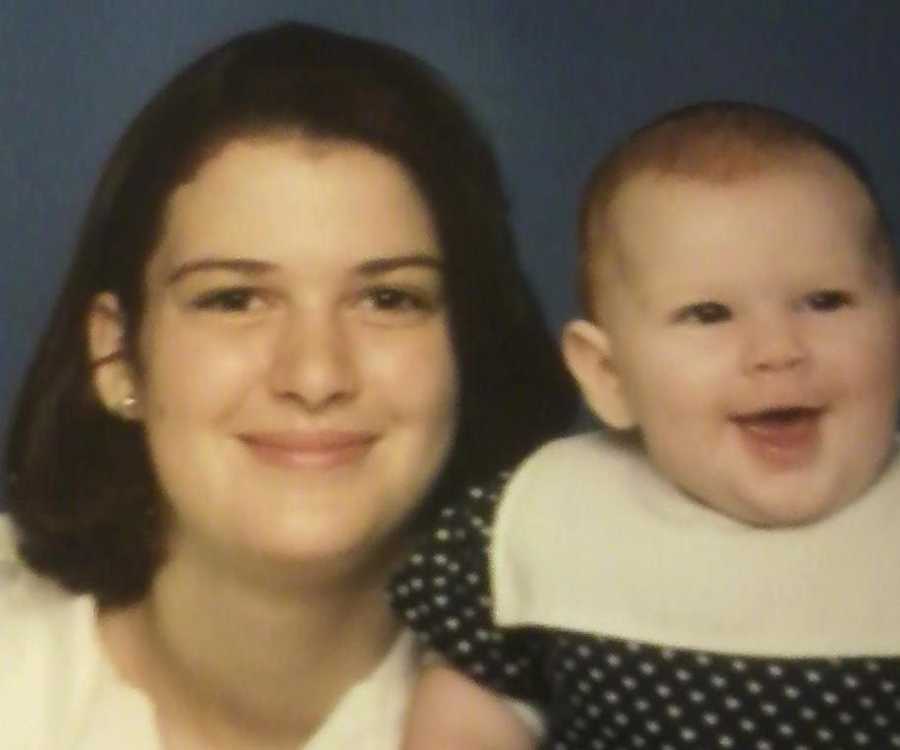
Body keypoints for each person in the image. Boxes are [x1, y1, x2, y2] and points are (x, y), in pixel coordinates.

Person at [0, 22, 577, 749]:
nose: (315, 375)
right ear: (117, 357)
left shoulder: (628, 698)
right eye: (235, 299)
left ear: (468, 347)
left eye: (389, 299)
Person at [392, 101, 900, 749]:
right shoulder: (551, 514)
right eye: (709, 314)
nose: (778, 348)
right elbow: (472, 710)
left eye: (826, 301)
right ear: (608, 375)